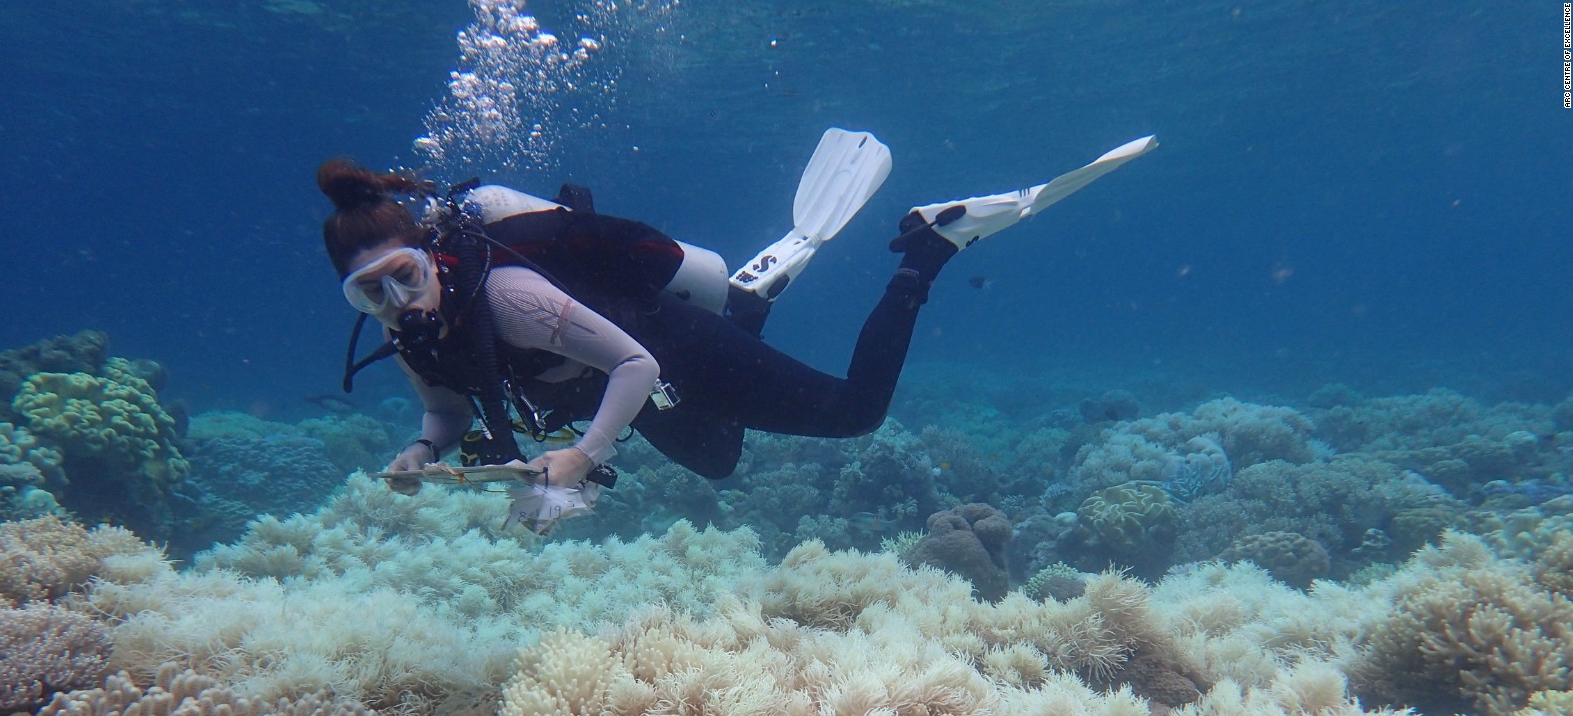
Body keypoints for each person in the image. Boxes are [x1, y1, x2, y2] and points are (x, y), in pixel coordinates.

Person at [318, 132, 1157, 495]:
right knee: (719, 463)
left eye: (402, 275)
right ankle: (748, 303)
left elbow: (636, 368)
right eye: (370, 293)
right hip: (627, 391)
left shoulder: (508, 296)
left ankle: (934, 247)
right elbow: (444, 408)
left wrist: (581, 453)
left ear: (430, 255)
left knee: (853, 415)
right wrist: (421, 448)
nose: (397, 302)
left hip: (662, 352)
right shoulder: (406, 337)